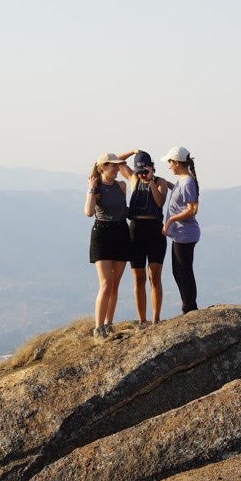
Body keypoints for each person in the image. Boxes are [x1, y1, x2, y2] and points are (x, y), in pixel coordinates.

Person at [117, 149, 169, 327]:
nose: (142, 173)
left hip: (155, 230)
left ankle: (156, 318)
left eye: (145, 168)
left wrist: (151, 180)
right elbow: (117, 161)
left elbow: (160, 202)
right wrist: (132, 151)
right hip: (136, 230)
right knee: (138, 278)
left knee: (154, 276)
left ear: (151, 167)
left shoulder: (160, 181)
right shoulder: (133, 179)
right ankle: (142, 320)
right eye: (139, 169)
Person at [84, 152, 129, 338]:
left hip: (121, 232)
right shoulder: (96, 187)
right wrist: (91, 190)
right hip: (102, 234)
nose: (117, 169)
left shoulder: (121, 185)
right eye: (113, 166)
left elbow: (124, 210)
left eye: (118, 166)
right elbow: (88, 212)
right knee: (105, 283)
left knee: (115, 284)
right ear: (103, 167)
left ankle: (109, 323)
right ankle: (98, 327)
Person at [160, 145, 200, 314]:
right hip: (181, 234)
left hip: (186, 233)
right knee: (179, 271)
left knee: (183, 271)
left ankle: (190, 307)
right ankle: (188, 306)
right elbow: (179, 192)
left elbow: (192, 209)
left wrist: (170, 221)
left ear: (176, 162)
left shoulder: (188, 182)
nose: (169, 166)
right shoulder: (183, 180)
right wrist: (161, 182)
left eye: (170, 162)